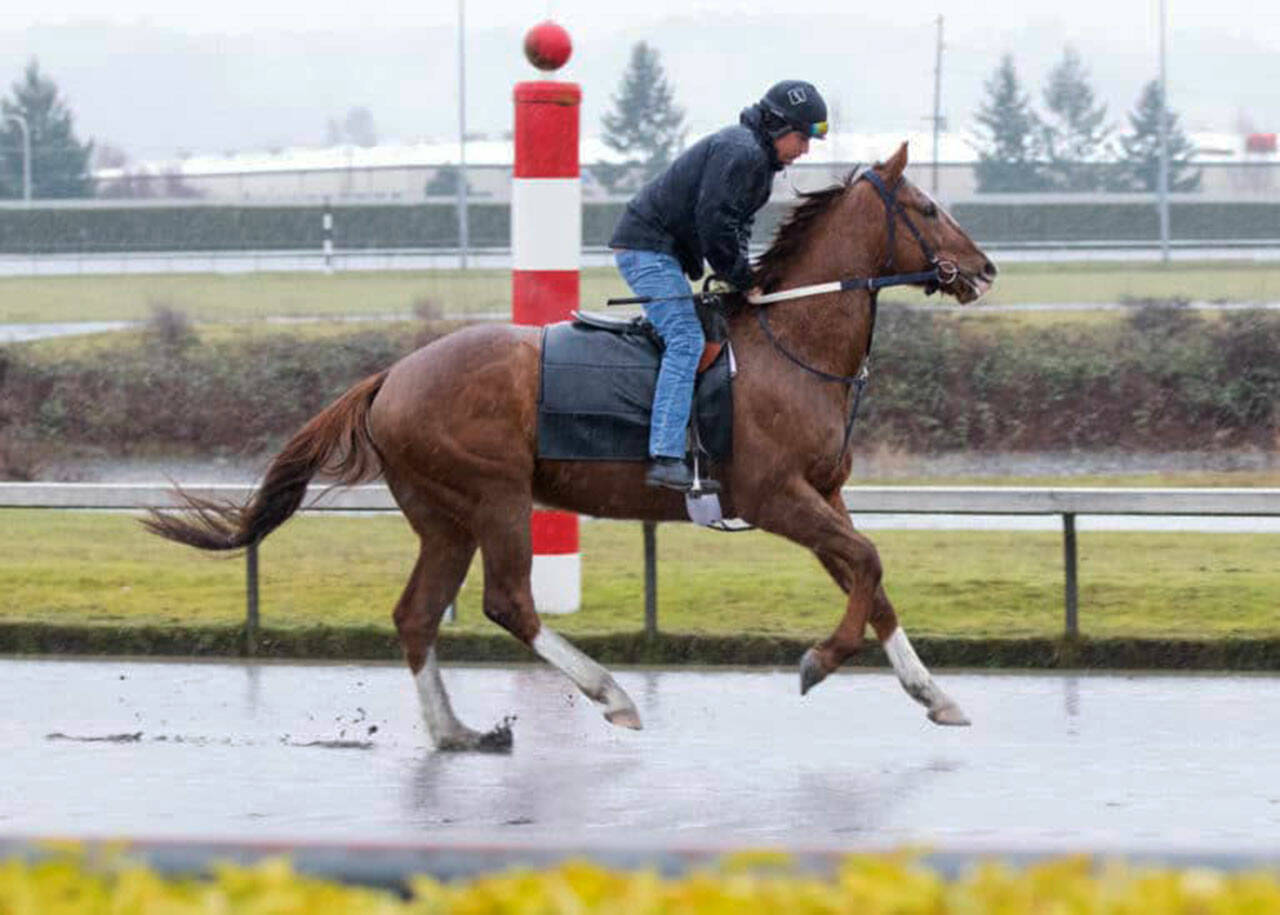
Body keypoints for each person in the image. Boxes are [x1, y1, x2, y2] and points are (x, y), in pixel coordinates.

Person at [610, 80, 828, 491]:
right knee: (686, 339)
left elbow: (736, 227)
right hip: (646, 249)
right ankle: (665, 456)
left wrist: (743, 276)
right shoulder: (742, 152)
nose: (804, 149)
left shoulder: (758, 162)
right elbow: (715, 225)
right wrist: (743, 279)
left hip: (663, 252)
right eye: (801, 138)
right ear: (777, 127)